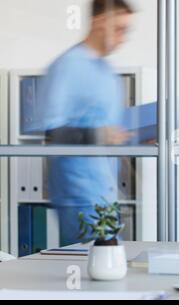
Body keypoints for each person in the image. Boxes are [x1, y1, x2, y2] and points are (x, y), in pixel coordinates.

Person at [39, 0, 134, 246]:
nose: (123, 37)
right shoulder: (67, 66)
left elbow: (107, 130)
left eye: (127, 30)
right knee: (94, 268)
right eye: (119, 28)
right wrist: (97, 136)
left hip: (105, 192)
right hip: (79, 193)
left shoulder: (106, 71)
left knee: (108, 265)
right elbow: (52, 133)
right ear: (99, 21)